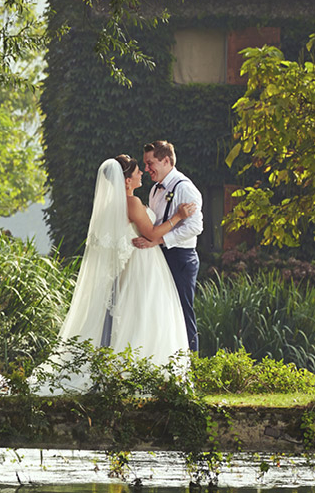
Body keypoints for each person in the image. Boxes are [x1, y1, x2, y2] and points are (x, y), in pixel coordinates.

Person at [28, 156, 193, 395]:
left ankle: (128, 369)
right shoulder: (132, 202)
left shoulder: (108, 206)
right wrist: (179, 216)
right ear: (126, 180)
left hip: (132, 266)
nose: (142, 174)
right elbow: (152, 232)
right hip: (142, 265)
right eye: (137, 172)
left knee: (135, 315)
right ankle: (141, 371)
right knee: (146, 315)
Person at [132, 140, 204, 353]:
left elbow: (195, 227)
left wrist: (160, 240)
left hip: (181, 257)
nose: (146, 169)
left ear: (166, 160)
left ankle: (191, 364)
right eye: (145, 164)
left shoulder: (185, 188)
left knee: (182, 311)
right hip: (160, 256)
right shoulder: (155, 189)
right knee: (164, 313)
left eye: (150, 163)